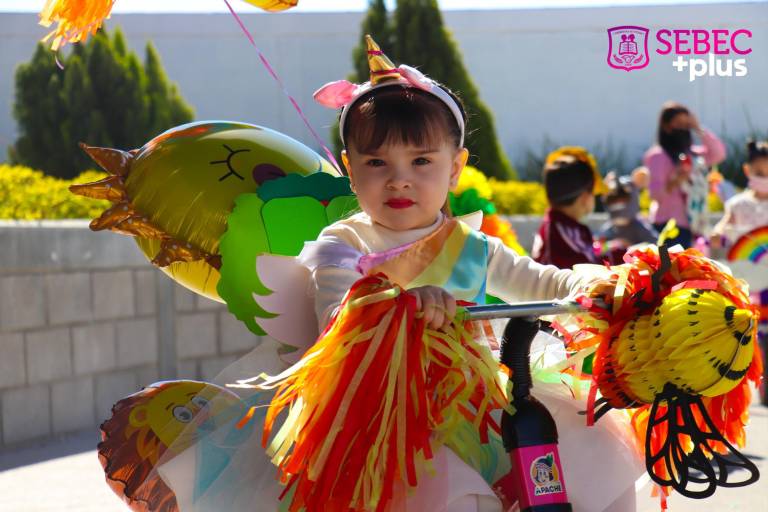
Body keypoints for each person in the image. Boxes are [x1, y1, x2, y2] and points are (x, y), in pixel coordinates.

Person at [643, 102, 726, 248]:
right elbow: (655, 194)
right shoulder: (658, 156)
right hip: (669, 225)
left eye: (686, 124)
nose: (683, 128)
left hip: (693, 225)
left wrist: (698, 128)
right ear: (667, 126)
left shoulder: (694, 155)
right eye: (678, 123)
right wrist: (676, 180)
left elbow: (719, 154)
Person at [531, 148, 623, 268]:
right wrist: (623, 256)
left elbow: (589, 248)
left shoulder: (562, 227)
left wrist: (610, 247)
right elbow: (590, 269)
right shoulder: (561, 236)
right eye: (594, 192)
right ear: (585, 197)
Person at [710, 139, 768, 248]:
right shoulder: (738, 204)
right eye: (759, 173)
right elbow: (724, 224)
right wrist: (717, 233)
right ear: (747, 170)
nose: (765, 178)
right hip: (742, 262)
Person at [598, 169, 658, 247]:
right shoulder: (609, 229)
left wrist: (633, 248)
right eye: (614, 201)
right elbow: (597, 249)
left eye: (623, 200)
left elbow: (658, 245)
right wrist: (610, 245)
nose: (618, 204)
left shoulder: (639, 228)